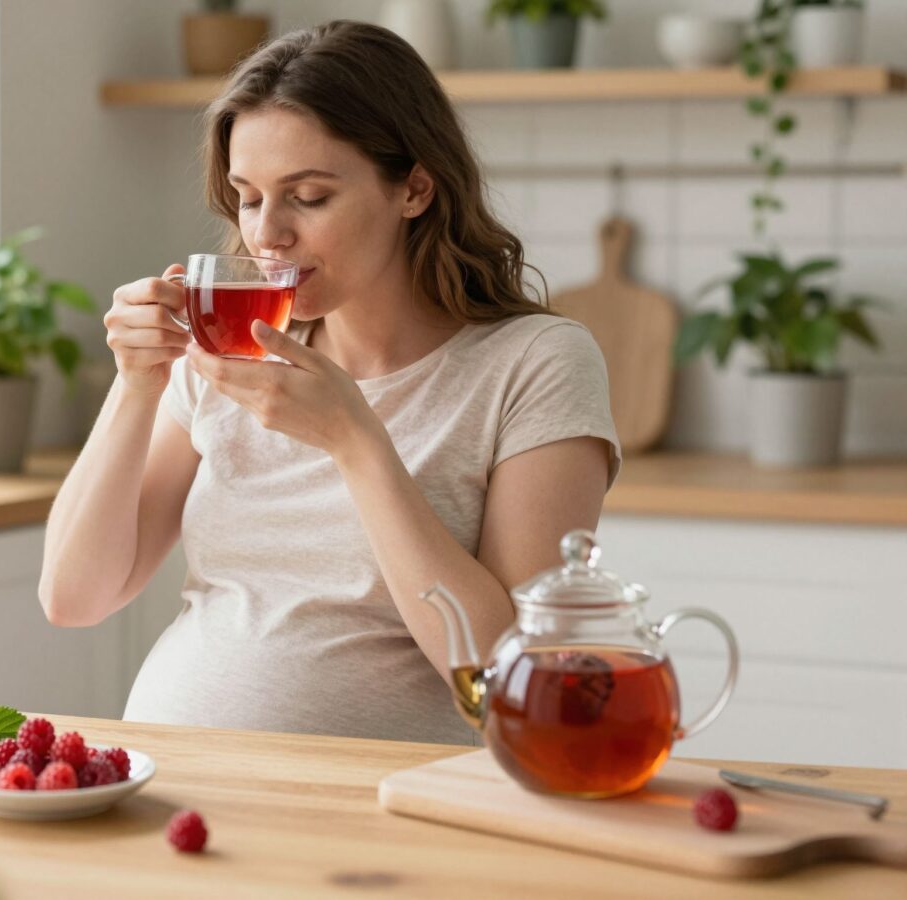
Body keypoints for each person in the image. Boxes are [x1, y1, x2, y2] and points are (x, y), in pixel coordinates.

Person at [39, 20, 620, 745]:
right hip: (167, 781)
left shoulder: (534, 364)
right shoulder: (230, 350)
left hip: (377, 819)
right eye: (248, 197)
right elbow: (73, 596)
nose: (267, 235)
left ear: (413, 188)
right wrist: (136, 385)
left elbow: (506, 675)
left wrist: (355, 440)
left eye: (307, 196)